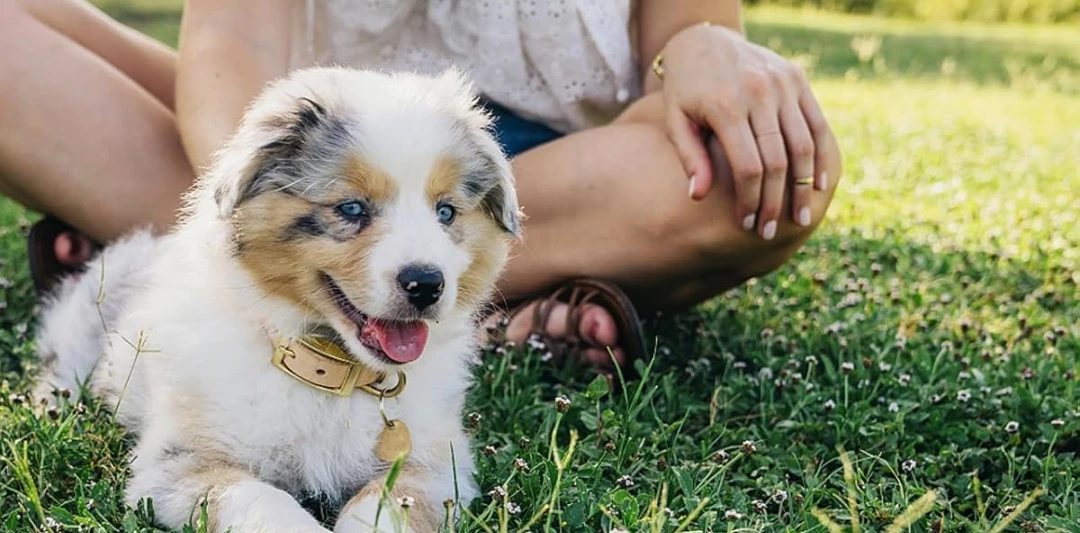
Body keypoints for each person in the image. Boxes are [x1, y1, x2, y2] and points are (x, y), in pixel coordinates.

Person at [0, 0, 841, 370]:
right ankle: (485, 314)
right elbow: (231, 42)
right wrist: (257, 186)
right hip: (316, 156)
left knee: (751, 170)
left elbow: (691, 36)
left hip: (554, 182)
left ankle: (146, 254)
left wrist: (698, 44)